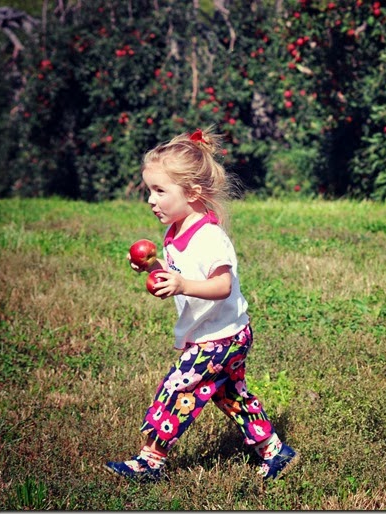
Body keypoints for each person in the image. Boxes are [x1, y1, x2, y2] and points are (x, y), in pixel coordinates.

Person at [105, 127, 298, 482]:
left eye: (160, 190)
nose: (150, 200)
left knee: (177, 389)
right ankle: (274, 449)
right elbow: (178, 274)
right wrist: (153, 267)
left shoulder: (209, 237)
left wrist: (182, 285)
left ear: (192, 192)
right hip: (218, 333)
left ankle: (150, 461)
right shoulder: (175, 231)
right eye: (149, 190)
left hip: (221, 338)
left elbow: (222, 285)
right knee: (230, 395)